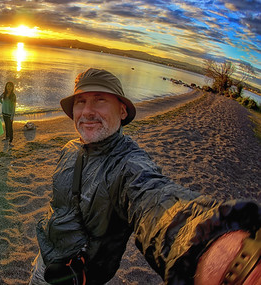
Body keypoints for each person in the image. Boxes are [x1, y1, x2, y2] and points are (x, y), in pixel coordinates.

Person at [29, 68, 260, 285]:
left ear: (122, 111)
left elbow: (155, 200)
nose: (87, 111)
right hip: (46, 257)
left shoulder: (128, 164)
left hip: (79, 275)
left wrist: (211, 245)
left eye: (100, 99)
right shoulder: (70, 148)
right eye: (81, 101)